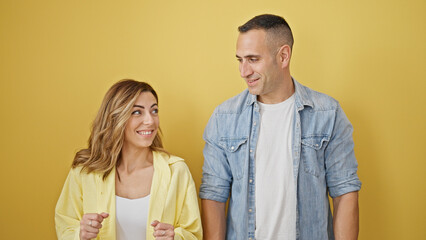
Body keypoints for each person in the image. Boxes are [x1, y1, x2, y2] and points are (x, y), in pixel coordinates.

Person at [199, 14, 361, 240]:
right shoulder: (224, 118)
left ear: (283, 56)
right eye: (240, 60)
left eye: (253, 59)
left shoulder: (328, 114)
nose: (243, 71)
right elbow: (214, 196)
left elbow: (344, 191)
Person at [55, 79, 202, 240]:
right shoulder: (84, 172)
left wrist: (174, 238)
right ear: (116, 118)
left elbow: (193, 233)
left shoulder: (176, 171)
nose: (150, 121)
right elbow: (65, 228)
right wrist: (80, 235)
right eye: (137, 112)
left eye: (154, 111)